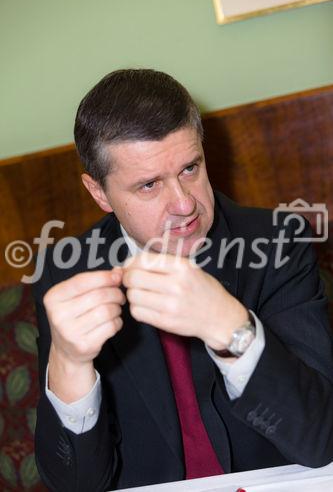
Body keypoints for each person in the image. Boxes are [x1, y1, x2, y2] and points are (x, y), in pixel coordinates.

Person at [34, 69, 333, 492]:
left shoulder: (278, 243)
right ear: (99, 193)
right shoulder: (65, 275)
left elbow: (322, 439)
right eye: (149, 185)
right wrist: (68, 362)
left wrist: (232, 329)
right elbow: (75, 484)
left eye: (190, 168)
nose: (184, 204)